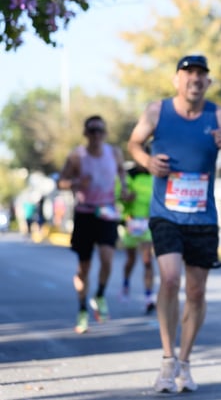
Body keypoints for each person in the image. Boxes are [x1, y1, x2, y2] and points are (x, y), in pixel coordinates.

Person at [127, 54, 221, 393]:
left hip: (202, 216)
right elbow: (134, 143)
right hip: (166, 213)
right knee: (169, 278)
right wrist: (148, 160)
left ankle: (185, 362)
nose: (194, 79)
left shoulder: (219, 116)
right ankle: (167, 359)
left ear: (207, 82)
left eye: (200, 74)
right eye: (188, 73)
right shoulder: (157, 111)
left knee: (196, 291)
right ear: (176, 79)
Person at [58, 115, 130, 334]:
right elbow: (61, 181)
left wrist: (124, 188)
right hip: (85, 213)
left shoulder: (115, 153)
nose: (96, 134)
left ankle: (99, 295)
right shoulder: (76, 156)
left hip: (107, 211)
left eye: (100, 130)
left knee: (108, 259)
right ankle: (82, 310)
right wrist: (77, 182)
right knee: (83, 269)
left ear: (105, 133)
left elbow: (121, 172)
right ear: (86, 134)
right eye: (92, 130)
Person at [119, 161, 156, 314]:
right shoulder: (130, 176)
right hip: (132, 221)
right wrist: (126, 197)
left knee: (147, 260)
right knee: (131, 260)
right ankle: (126, 283)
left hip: (148, 222)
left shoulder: (155, 175)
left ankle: (149, 297)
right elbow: (121, 196)